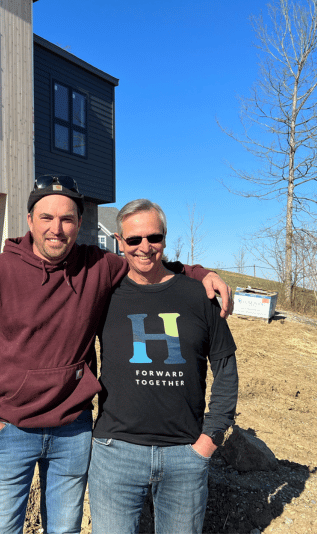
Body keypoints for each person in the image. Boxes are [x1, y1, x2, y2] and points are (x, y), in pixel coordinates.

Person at [0, 176, 232, 534]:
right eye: (47, 217)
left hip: (73, 430)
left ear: (79, 224)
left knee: (64, 529)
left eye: (67, 219)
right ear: (29, 220)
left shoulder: (96, 266)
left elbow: (148, 261)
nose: (57, 228)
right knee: (2, 528)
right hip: (10, 430)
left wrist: (200, 273)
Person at [88, 199, 238, 534]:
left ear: (165, 239)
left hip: (185, 454)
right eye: (134, 240)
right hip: (115, 452)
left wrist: (210, 438)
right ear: (118, 241)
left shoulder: (198, 295)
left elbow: (225, 365)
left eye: (153, 238)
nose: (144, 247)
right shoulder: (103, 294)